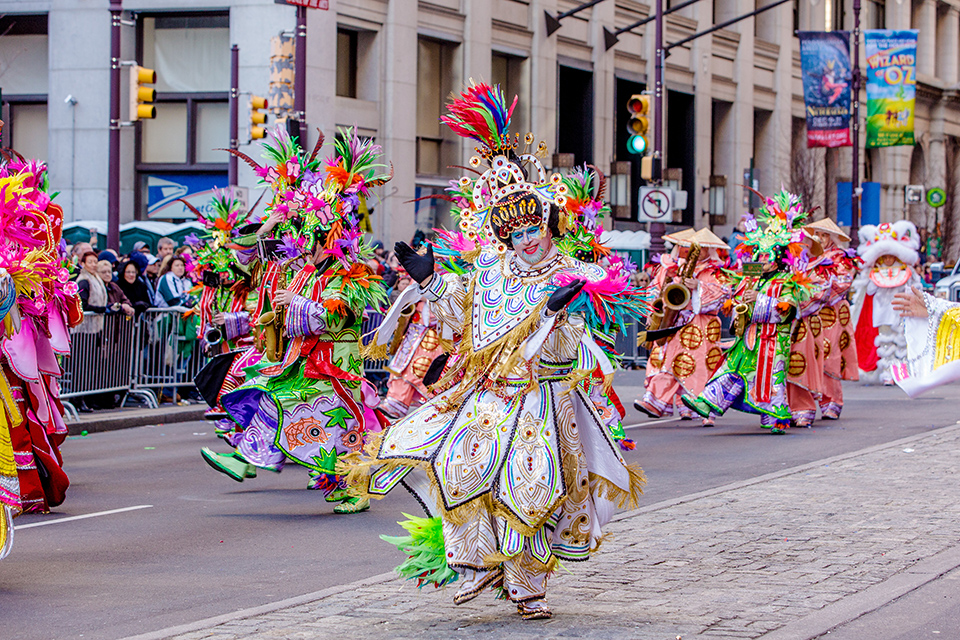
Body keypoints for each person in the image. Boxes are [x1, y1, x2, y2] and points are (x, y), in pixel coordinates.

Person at [344, 84, 645, 619]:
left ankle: (527, 587)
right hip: (488, 394)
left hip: (545, 399)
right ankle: (477, 563)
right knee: (459, 466)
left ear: (548, 226)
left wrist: (558, 313)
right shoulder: (492, 270)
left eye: (533, 228)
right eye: (516, 232)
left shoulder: (574, 274)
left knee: (531, 488)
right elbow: (464, 323)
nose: (527, 239)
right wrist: (432, 282)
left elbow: (572, 348)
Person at [200, 125, 390, 514]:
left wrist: (298, 303)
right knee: (278, 403)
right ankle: (250, 459)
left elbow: (340, 318)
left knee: (340, 428)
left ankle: (354, 487)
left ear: (330, 241)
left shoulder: (349, 274)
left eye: (315, 240)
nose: (307, 247)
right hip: (306, 361)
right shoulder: (308, 272)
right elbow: (253, 275)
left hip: (335, 367)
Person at [683, 190, 814, 434]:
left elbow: (788, 309)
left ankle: (776, 417)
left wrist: (761, 300)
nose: (762, 260)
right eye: (759, 255)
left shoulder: (787, 281)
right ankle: (706, 402)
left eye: (766, 256)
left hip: (772, 341)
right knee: (730, 369)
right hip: (748, 337)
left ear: (777, 259)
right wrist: (737, 303)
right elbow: (734, 299)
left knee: (770, 379)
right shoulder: (751, 277)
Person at [635, 228, 732, 426]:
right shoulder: (677, 267)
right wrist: (658, 306)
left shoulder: (715, 271)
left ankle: (704, 409)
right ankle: (656, 402)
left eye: (702, 248)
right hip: (677, 322)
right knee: (669, 362)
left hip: (704, 326)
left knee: (702, 366)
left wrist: (699, 287)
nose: (697, 251)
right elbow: (659, 289)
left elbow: (724, 293)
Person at [851, 221, 921, 385]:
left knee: (902, 341)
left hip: (901, 311)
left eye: (891, 256)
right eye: (885, 257)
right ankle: (888, 372)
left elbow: (914, 289)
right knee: (886, 342)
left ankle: (903, 371)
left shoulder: (906, 271)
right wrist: (871, 277)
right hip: (882, 313)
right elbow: (868, 291)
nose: (888, 260)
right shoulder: (874, 273)